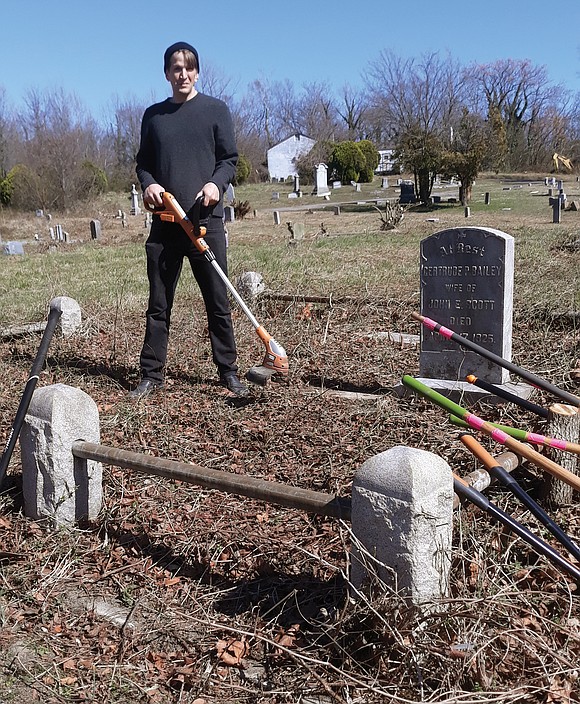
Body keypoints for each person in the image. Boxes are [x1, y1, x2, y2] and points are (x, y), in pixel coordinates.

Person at [130, 41, 248, 399]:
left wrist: (215, 183)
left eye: (189, 67)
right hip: (165, 224)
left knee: (217, 300)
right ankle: (151, 374)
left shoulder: (215, 110)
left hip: (204, 224)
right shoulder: (153, 116)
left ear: (197, 72)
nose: (183, 73)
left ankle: (228, 371)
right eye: (176, 68)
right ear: (167, 73)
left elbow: (229, 159)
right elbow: (143, 164)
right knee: (159, 303)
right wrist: (148, 185)